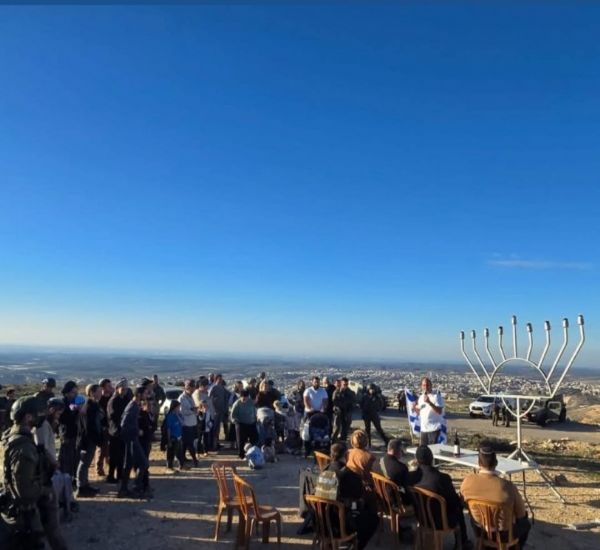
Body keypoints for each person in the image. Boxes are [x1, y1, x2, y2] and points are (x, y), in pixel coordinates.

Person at [1, 396, 68, 550]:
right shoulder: (23, 448)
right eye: (38, 413)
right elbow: (25, 490)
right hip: (28, 510)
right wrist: (46, 491)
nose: (41, 416)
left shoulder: (10, 437)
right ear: (28, 417)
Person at [460, 443, 530, 548]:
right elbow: (521, 514)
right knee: (525, 524)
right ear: (496, 462)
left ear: (478, 462)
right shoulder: (508, 487)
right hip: (504, 536)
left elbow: (464, 504)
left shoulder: (467, 482)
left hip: (480, 531)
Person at [414, 445, 471, 549]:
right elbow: (454, 502)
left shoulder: (411, 477)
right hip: (441, 522)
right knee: (458, 508)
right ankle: (462, 542)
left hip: (421, 517)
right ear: (432, 459)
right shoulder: (442, 478)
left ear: (417, 460)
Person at [324, 442, 379, 550]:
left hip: (323, 521)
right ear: (346, 455)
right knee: (373, 519)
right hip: (339, 523)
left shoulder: (325, 469)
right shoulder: (348, 475)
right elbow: (358, 497)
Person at [33, 397, 78, 522]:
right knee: (61, 481)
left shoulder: (47, 424)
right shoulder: (42, 426)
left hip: (50, 463)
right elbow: (42, 448)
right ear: (52, 410)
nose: (59, 416)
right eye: (58, 413)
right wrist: (54, 462)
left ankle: (68, 505)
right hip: (46, 466)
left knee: (66, 479)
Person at [119, 385, 150, 498]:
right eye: (145, 393)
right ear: (139, 394)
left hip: (131, 437)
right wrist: (137, 430)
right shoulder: (133, 406)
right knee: (143, 463)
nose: (147, 395)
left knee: (128, 464)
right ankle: (136, 488)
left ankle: (123, 490)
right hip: (131, 438)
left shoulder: (134, 405)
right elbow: (123, 423)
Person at [75, 384, 103, 498]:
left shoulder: (90, 405)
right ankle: (81, 488)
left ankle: (85, 485)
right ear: (92, 392)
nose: (101, 393)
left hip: (88, 438)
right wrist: (97, 439)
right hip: (87, 439)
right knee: (84, 463)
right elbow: (89, 426)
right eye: (99, 391)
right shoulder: (90, 406)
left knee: (85, 463)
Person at [380, 438, 421, 504]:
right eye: (401, 450)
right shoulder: (401, 468)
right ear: (394, 451)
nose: (402, 452)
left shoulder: (379, 461)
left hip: (382, 496)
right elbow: (406, 487)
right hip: (396, 500)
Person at [106, 378, 129, 484]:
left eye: (126, 389)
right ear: (117, 388)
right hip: (115, 431)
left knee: (122, 455)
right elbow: (113, 416)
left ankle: (120, 474)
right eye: (122, 389)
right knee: (114, 455)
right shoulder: (113, 400)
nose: (124, 391)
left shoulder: (125, 399)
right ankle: (110, 475)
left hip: (123, 431)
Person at [411, 377, 444, 445]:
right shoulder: (421, 398)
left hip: (433, 429)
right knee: (423, 450)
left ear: (431, 386)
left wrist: (429, 402)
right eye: (424, 385)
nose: (425, 387)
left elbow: (439, 411)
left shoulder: (436, 397)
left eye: (427, 385)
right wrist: (415, 408)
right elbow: (420, 413)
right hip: (423, 430)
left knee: (432, 450)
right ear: (421, 386)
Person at [57, 381, 79, 479]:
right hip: (66, 434)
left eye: (76, 392)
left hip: (75, 433)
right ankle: (66, 477)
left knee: (75, 457)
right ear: (67, 393)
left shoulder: (74, 402)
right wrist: (74, 411)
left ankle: (74, 477)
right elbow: (62, 419)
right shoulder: (62, 403)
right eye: (73, 392)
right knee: (66, 458)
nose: (75, 394)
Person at [230, 389, 258, 459]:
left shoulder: (251, 402)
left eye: (245, 397)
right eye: (242, 397)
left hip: (251, 423)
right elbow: (232, 416)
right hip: (241, 424)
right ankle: (241, 454)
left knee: (255, 439)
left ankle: (253, 452)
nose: (244, 398)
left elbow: (254, 412)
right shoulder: (237, 404)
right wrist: (236, 421)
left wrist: (255, 419)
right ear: (240, 396)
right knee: (241, 440)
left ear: (248, 397)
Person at [94, 378, 113, 478]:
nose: (111, 388)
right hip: (102, 427)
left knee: (109, 448)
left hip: (111, 426)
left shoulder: (112, 398)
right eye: (108, 386)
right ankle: (99, 468)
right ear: (103, 387)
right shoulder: (98, 400)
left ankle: (109, 465)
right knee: (101, 448)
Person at [179, 380, 199, 467]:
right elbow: (182, 411)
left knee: (185, 443)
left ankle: (182, 459)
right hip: (186, 424)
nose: (194, 390)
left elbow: (193, 408)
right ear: (188, 388)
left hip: (192, 423)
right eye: (192, 388)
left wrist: (196, 410)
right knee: (189, 443)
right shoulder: (182, 398)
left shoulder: (190, 397)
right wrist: (193, 410)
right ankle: (194, 460)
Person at [208, 374, 229, 450]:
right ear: (216, 379)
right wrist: (212, 409)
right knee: (215, 428)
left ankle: (217, 443)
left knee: (218, 429)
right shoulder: (213, 387)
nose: (220, 380)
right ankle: (213, 445)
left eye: (221, 379)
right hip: (215, 411)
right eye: (219, 379)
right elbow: (209, 398)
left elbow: (226, 396)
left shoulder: (222, 388)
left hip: (221, 411)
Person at [162, 400, 184, 473]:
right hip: (173, 437)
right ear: (174, 407)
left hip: (179, 436)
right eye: (178, 407)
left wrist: (178, 415)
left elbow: (182, 423)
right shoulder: (170, 416)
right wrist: (169, 440)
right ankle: (169, 467)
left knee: (179, 452)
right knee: (171, 453)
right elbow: (168, 429)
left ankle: (181, 465)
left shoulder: (177, 415)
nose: (179, 409)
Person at [332, 377, 355, 442]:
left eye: (347, 384)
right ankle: (334, 441)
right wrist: (337, 407)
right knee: (337, 427)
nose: (345, 386)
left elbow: (353, 402)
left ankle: (343, 440)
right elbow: (334, 402)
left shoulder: (350, 392)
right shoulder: (336, 392)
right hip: (339, 411)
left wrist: (349, 410)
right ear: (341, 384)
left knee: (345, 428)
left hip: (346, 411)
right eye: (344, 384)